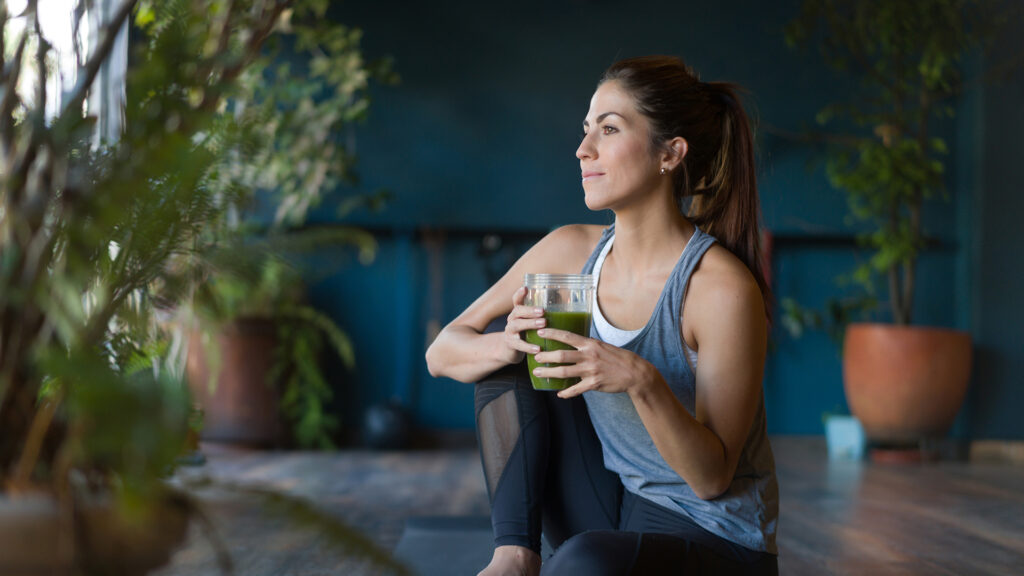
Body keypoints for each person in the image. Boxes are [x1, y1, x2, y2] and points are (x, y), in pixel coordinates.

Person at [425, 55, 778, 576]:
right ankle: (514, 558)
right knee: (504, 361)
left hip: (716, 537)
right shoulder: (569, 252)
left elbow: (712, 479)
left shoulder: (717, 289)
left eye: (608, 129)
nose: (583, 149)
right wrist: (510, 345)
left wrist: (641, 380)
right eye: (586, 129)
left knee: (586, 561)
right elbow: (443, 351)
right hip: (620, 505)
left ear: (670, 154)